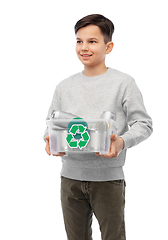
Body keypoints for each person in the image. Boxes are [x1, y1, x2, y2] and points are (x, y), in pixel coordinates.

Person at [44, 14, 153, 240]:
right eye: (79, 41)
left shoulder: (124, 83)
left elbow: (144, 123)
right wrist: (49, 139)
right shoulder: (64, 87)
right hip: (70, 180)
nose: (84, 47)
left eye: (92, 41)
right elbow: (50, 124)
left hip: (108, 180)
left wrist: (122, 142)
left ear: (108, 46)